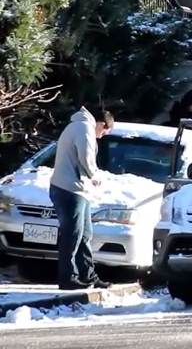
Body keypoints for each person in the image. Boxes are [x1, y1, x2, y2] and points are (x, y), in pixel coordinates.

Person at [48, 106, 115, 290]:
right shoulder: (84, 128)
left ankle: (88, 275)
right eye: (104, 131)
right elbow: (85, 157)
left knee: (84, 234)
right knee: (72, 235)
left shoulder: (76, 126)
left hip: (75, 189)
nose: (101, 136)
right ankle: (67, 277)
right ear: (100, 123)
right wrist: (95, 175)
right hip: (70, 189)